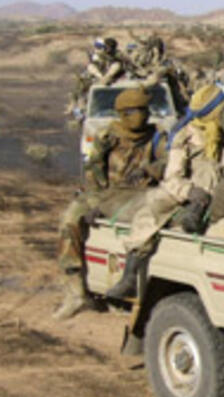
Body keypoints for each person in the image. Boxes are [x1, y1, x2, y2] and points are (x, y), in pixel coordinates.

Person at [106, 85, 224, 300]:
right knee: (151, 209)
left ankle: (196, 211)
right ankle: (130, 275)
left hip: (216, 189)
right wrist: (190, 192)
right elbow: (172, 176)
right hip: (186, 188)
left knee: (208, 169)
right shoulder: (185, 135)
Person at [54, 88, 167, 319]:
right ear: (123, 114)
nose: (142, 116)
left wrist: (150, 168)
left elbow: (167, 165)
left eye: (144, 110)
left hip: (140, 196)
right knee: (68, 221)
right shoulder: (108, 137)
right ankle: (75, 291)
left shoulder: (156, 137)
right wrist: (95, 202)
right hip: (107, 194)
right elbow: (93, 174)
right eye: (135, 111)